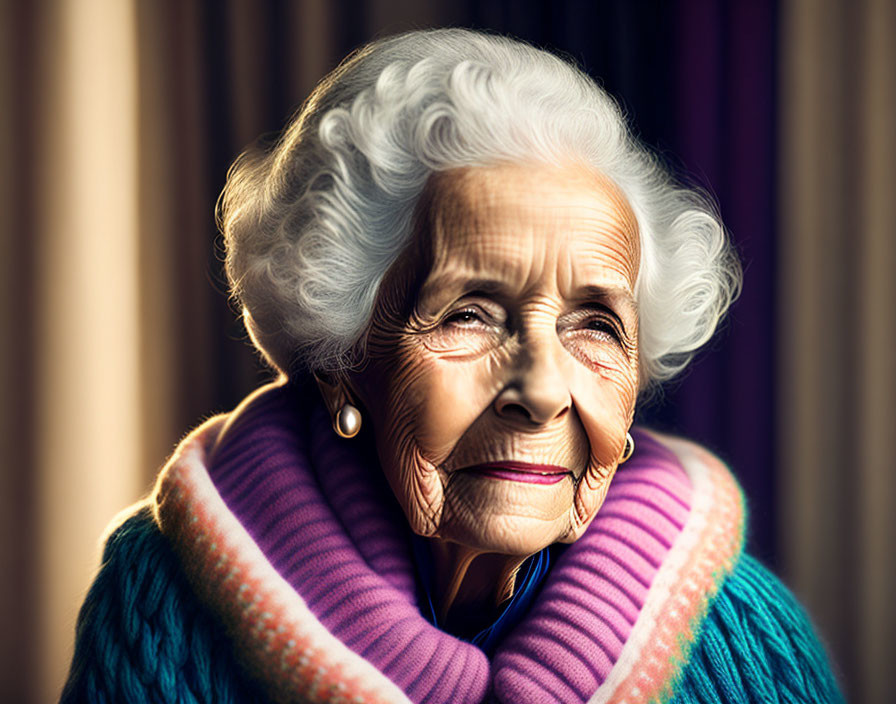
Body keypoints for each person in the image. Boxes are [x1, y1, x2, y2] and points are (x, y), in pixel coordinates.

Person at [62, 29, 843, 703]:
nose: (540, 393)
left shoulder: (740, 638)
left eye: (596, 326)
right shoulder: (167, 603)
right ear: (341, 360)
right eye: (468, 314)